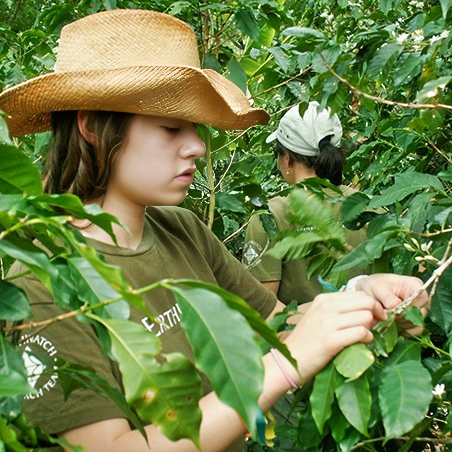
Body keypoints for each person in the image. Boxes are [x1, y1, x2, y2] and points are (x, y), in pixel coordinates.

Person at [0, 9, 428, 452]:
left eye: (195, 127)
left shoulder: (181, 230)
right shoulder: (42, 284)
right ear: (91, 125)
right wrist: (285, 368)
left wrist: (363, 298)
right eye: (171, 128)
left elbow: (276, 327)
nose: (197, 146)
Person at [243, 102, 369, 305]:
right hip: (367, 331)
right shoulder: (368, 207)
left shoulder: (269, 215)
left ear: (287, 158)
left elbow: (260, 307)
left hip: (298, 334)